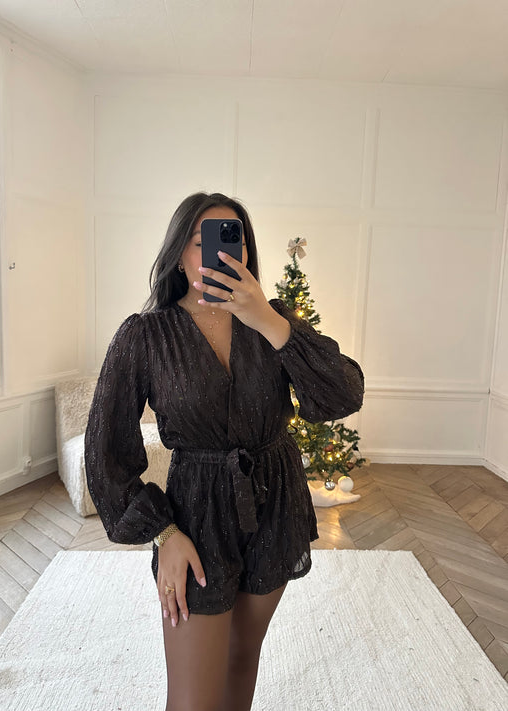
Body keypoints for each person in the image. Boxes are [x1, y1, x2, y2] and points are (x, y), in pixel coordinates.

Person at [84, 192, 364, 711]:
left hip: (276, 502)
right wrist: (163, 534)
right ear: (179, 254)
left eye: (232, 239)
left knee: (241, 658)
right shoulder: (145, 336)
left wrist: (269, 321)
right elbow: (106, 453)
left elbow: (342, 395)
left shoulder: (274, 322)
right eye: (201, 240)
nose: (217, 253)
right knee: (192, 700)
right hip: (197, 515)